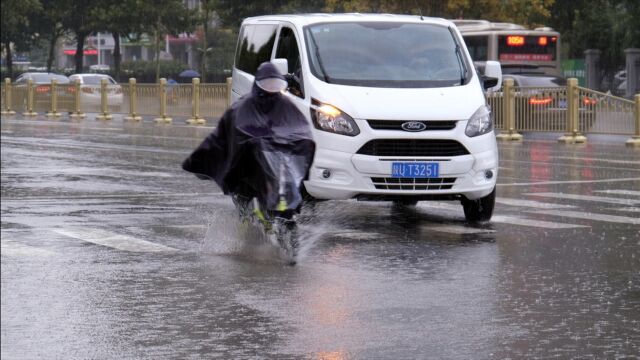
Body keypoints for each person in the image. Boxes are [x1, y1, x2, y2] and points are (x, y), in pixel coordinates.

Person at [182, 62, 315, 219]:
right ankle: (247, 223)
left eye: (275, 85)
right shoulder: (242, 107)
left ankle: (286, 220)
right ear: (259, 86)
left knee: (288, 192)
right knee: (244, 199)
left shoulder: (285, 104)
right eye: (268, 85)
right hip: (246, 165)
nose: (271, 90)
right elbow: (226, 137)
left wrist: (300, 142)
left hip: (275, 162)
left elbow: (300, 129)